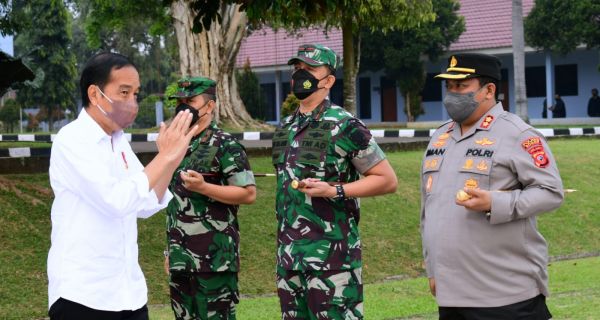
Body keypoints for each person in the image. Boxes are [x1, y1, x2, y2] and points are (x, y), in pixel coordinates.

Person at [47, 52, 197, 320]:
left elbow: (146, 203)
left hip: (128, 294)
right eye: (124, 92)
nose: (132, 102)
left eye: (135, 94)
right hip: (83, 297)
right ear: (95, 94)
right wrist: (163, 158)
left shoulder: (119, 141)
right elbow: (116, 201)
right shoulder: (72, 140)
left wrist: (171, 159)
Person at [421, 53, 564, 319]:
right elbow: (428, 209)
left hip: (505, 294)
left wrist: (495, 203)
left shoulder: (516, 134)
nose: (452, 94)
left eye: (461, 86)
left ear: (489, 90)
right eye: (449, 87)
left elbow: (551, 192)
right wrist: (433, 269)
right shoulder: (439, 138)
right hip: (451, 292)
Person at [272, 43, 398, 319]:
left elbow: (387, 180)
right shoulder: (285, 129)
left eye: (310, 69)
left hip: (333, 260)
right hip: (290, 259)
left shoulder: (344, 124)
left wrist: (335, 189)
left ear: (328, 80)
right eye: (297, 68)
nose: (300, 74)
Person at [164, 77, 256, 320]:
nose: (184, 107)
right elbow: (172, 204)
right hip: (180, 259)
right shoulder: (175, 146)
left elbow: (248, 193)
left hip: (214, 260)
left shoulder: (226, 145)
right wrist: (169, 252)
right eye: (180, 102)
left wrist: (204, 187)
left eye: (191, 101)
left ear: (210, 106)